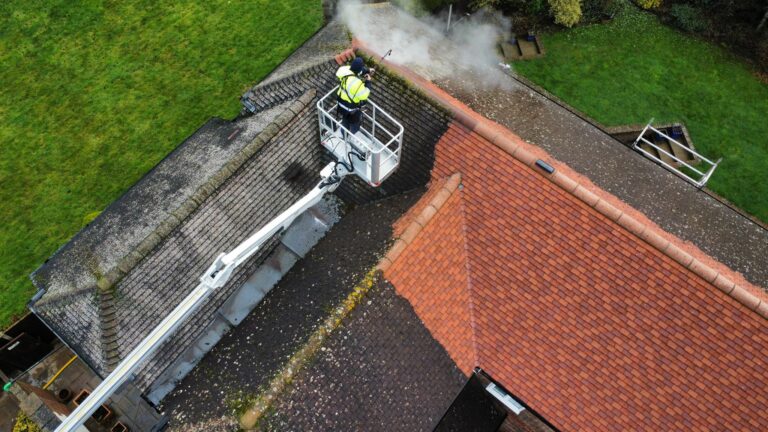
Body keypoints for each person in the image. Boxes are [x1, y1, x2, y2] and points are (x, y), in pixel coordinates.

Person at [335, 57, 373, 136]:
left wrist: (367, 70)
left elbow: (355, 71)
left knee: (345, 121)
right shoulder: (357, 83)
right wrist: (368, 82)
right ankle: (352, 137)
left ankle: (343, 134)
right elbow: (364, 95)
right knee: (354, 124)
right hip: (351, 109)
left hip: (340, 104)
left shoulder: (344, 71)